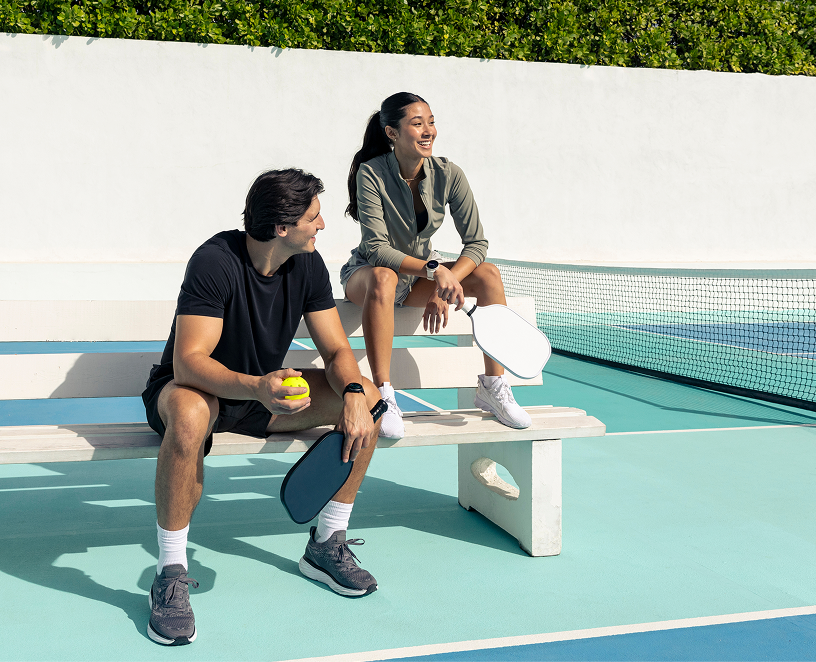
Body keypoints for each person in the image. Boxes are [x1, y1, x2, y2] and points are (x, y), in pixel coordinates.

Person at [142, 168, 383, 646]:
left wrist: (354, 395)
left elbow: (337, 352)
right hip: (196, 392)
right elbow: (188, 363)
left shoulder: (308, 266)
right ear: (281, 227)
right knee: (190, 415)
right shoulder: (214, 261)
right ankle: (170, 573)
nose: (321, 226)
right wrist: (256, 386)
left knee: (370, 399)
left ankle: (327, 544)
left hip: (260, 397)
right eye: (314, 217)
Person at [340, 92, 531, 439]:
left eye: (431, 122)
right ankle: (383, 395)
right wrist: (433, 270)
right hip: (367, 277)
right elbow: (377, 248)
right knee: (383, 276)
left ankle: (493, 385)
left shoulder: (449, 173)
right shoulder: (370, 173)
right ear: (392, 133)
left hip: (416, 281)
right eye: (417, 123)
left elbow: (477, 244)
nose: (428, 130)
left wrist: (445, 284)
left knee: (487, 274)